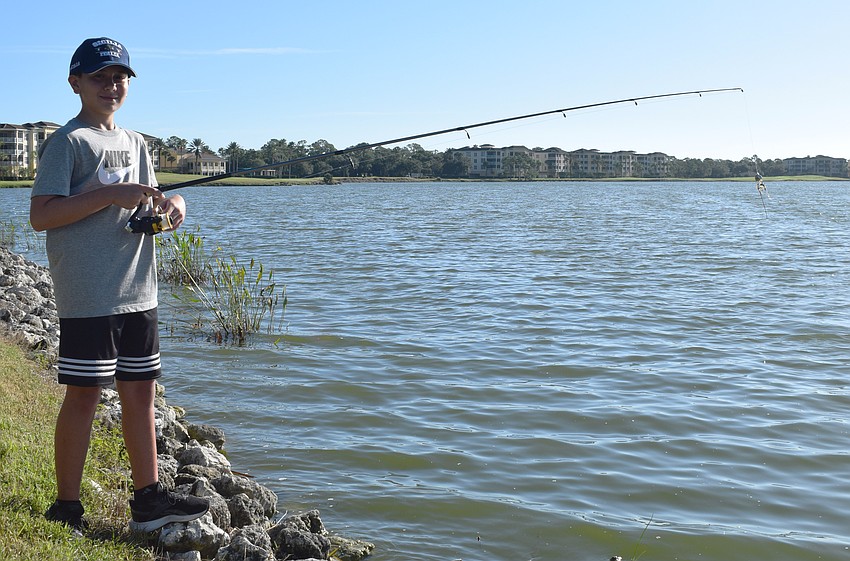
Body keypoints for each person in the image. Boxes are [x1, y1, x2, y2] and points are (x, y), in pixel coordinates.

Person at [30, 37, 209, 534]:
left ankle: (147, 498)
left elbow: (147, 204)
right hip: (90, 294)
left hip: (139, 291)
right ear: (76, 83)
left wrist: (173, 208)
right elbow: (41, 216)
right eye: (100, 77)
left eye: (120, 77)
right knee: (84, 396)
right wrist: (111, 195)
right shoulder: (67, 143)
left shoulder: (136, 142)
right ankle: (66, 506)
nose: (112, 86)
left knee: (141, 393)